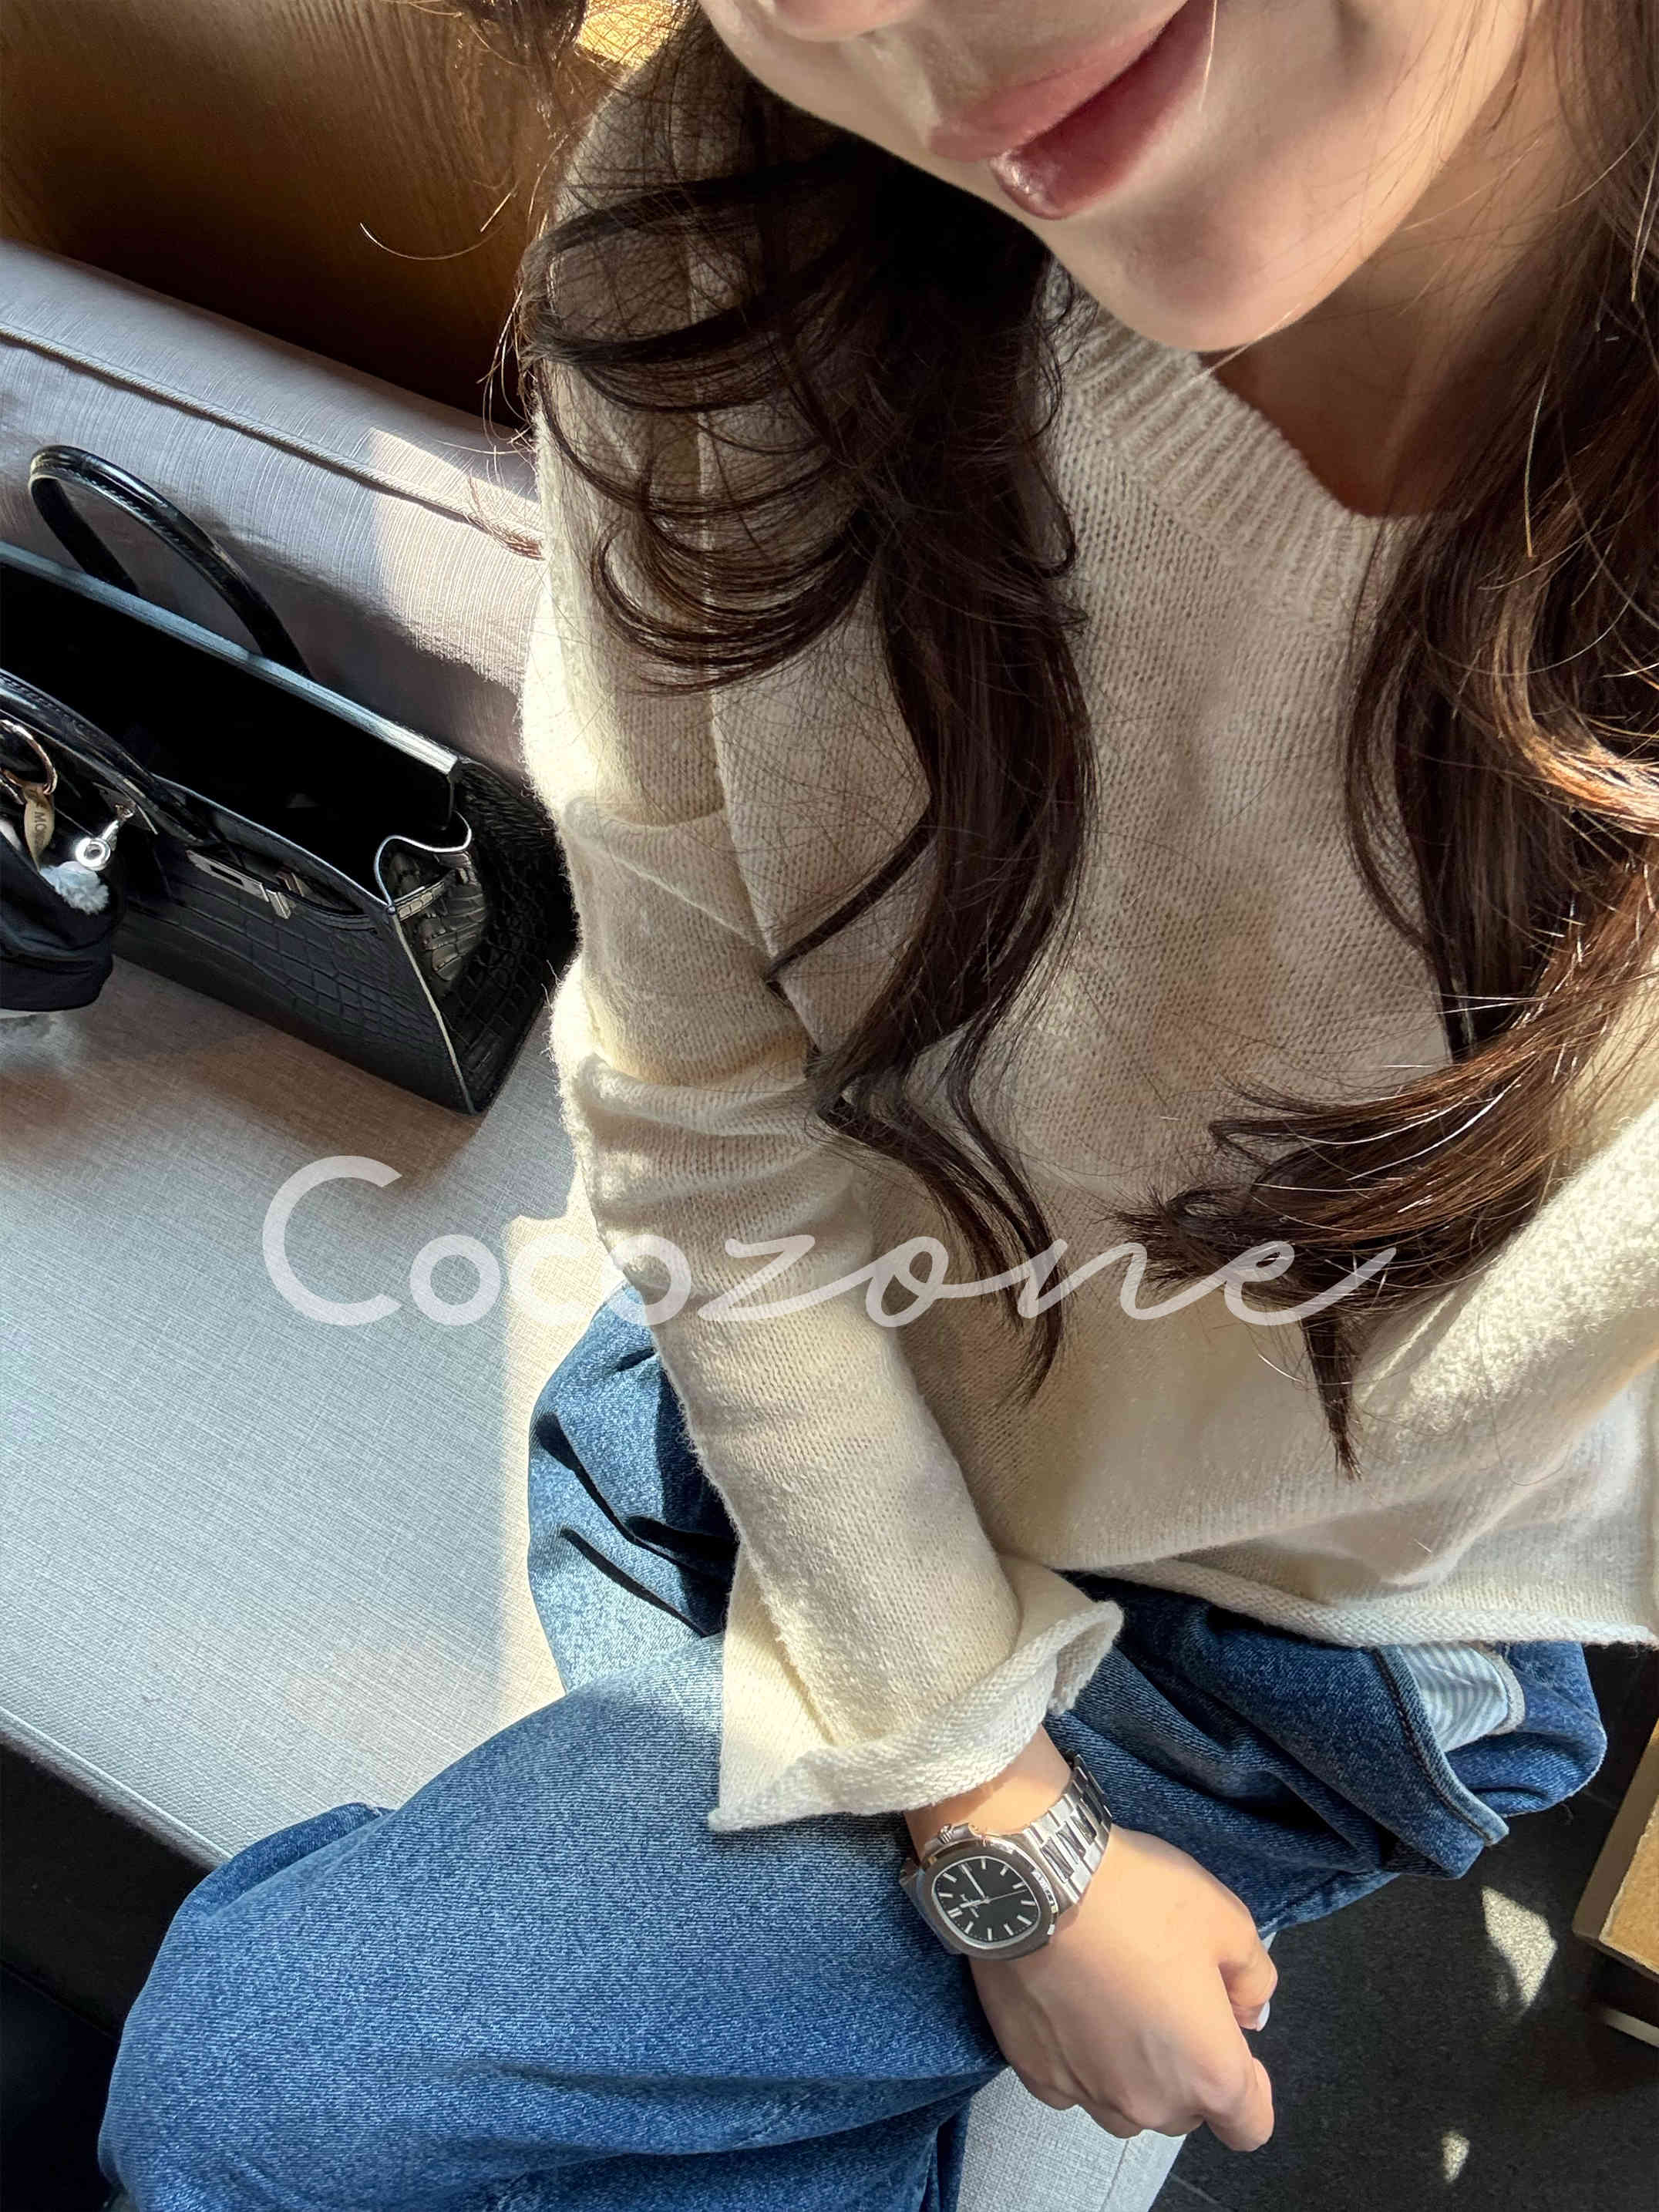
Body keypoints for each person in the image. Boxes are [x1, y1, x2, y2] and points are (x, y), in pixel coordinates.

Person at [100, 2, 1654, 2207]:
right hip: (769, 1398)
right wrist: (1005, 1837)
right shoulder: (723, 247)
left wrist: (1006, 1819)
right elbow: (701, 1125)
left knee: (271, 2091)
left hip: (1290, 1643)